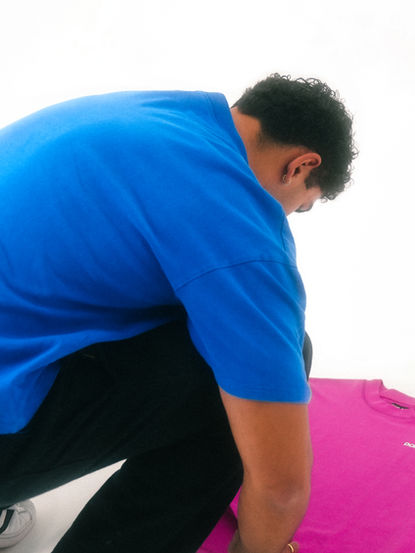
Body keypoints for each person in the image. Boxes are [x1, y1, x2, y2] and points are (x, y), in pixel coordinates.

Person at [0, 74, 356, 553]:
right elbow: (281, 489)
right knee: (245, 370)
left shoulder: (148, 114)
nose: (288, 218)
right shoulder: (234, 224)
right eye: (302, 207)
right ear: (299, 166)